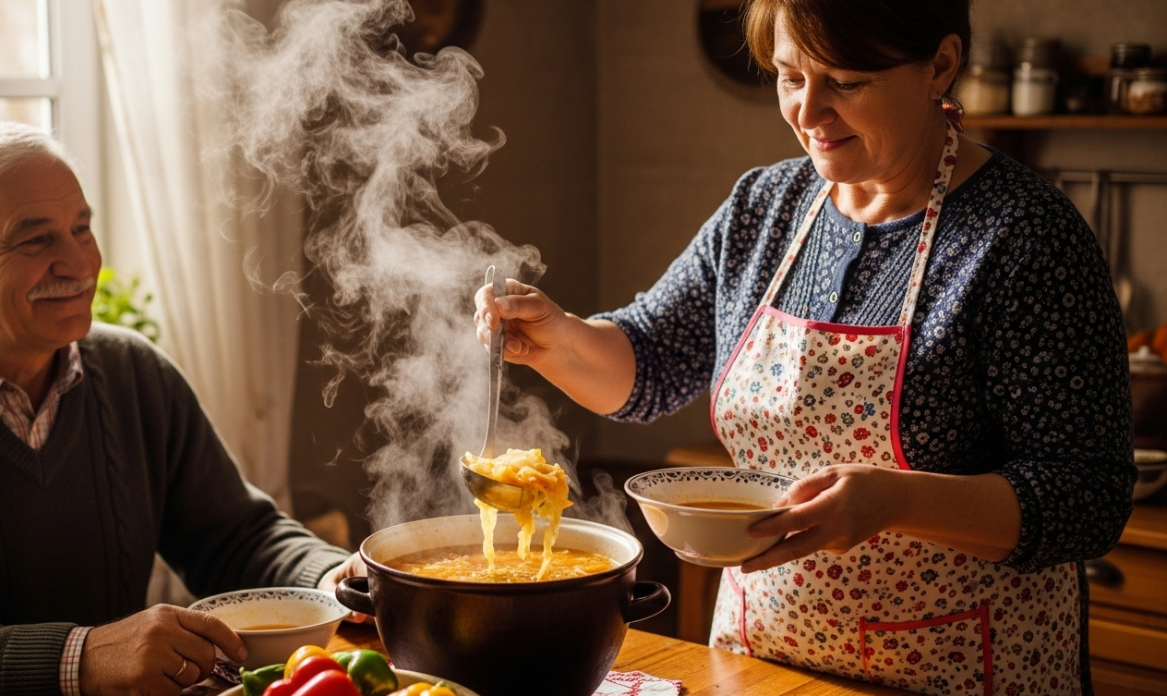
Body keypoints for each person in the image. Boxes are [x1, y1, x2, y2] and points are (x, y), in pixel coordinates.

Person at [474, 1, 1135, 694]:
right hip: (762, 664)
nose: (808, 112)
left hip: (965, 671)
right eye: (790, 76)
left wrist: (894, 501)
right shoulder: (765, 207)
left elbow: (1086, 497)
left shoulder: (1024, 236)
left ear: (940, 65)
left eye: (845, 82)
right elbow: (651, 363)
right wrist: (553, 339)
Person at [0, 121, 363, 696]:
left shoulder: (132, 371)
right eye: (36, 240)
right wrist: (78, 657)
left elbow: (236, 538)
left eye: (81, 228)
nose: (79, 264)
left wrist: (330, 580)